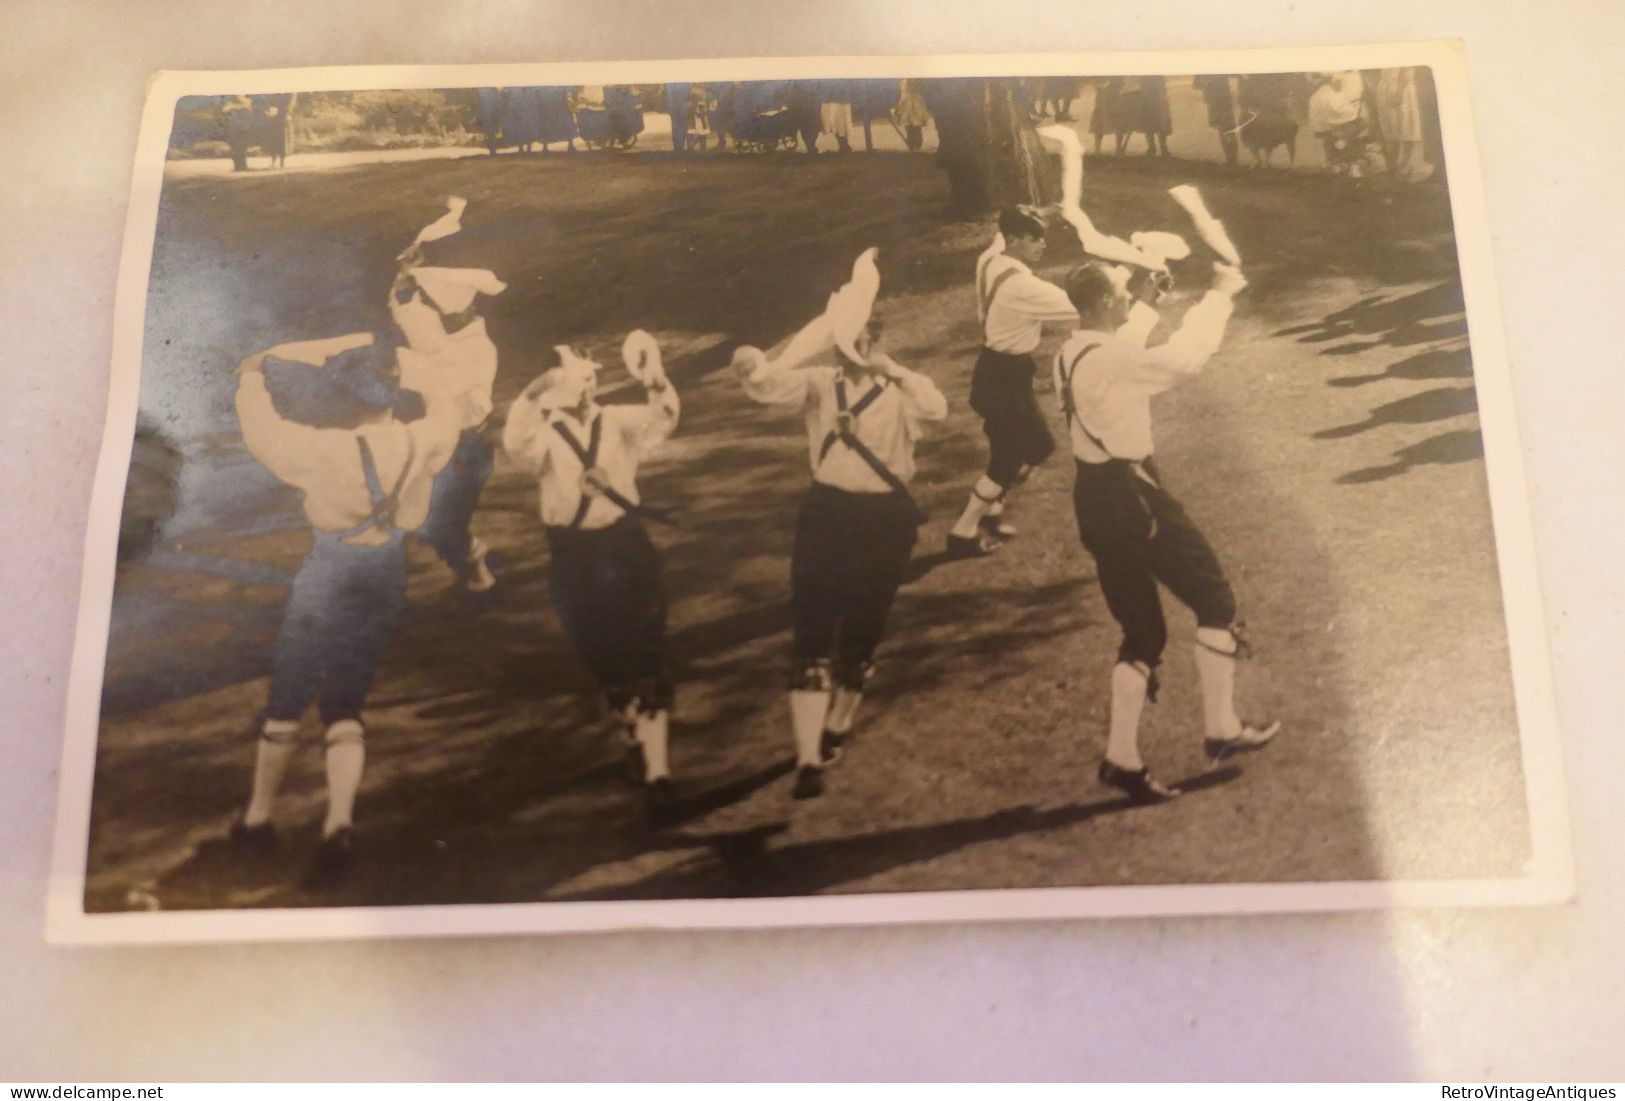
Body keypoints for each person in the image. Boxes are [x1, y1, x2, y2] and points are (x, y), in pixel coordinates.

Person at [228, 333, 462, 879]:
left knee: (289, 694)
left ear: (346, 400)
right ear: (390, 395)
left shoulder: (321, 449)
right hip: (385, 571)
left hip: (329, 570)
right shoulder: (424, 439)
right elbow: (447, 400)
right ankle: (338, 822)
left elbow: (261, 435)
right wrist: (409, 364)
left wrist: (251, 376)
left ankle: (259, 819)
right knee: (346, 700)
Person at [1052, 258, 1278, 802]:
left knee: (1144, 633)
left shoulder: (1072, 349)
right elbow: (1183, 361)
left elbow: (1121, 347)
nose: (1128, 294)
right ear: (1105, 302)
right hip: (1136, 496)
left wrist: (1147, 301)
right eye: (1123, 291)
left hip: (1095, 496)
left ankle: (1121, 759)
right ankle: (1220, 727)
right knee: (1215, 601)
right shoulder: (1111, 354)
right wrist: (1220, 295)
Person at [733, 249, 947, 799]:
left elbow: (937, 409)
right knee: (811, 638)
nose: (858, 350)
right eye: (850, 340)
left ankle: (839, 723)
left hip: (884, 521)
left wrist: (893, 371)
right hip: (826, 515)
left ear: (878, 338)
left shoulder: (903, 388)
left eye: (867, 339)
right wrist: (752, 364)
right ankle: (807, 760)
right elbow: (764, 387)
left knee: (860, 637)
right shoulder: (820, 384)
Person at [502, 334, 682, 816]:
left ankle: (659, 773)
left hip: (625, 547)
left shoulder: (616, 419)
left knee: (645, 657)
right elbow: (514, 441)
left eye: (589, 373)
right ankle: (635, 738)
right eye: (578, 373)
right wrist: (536, 390)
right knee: (606, 661)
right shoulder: (541, 435)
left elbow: (662, 420)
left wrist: (656, 380)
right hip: (575, 556)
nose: (589, 381)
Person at [946, 205, 1079, 557]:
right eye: (1034, 238)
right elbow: (1081, 306)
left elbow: (998, 235)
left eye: (1042, 237)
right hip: (1005, 379)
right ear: (1015, 239)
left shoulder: (990, 260)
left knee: (1009, 452)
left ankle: (990, 511)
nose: (1042, 244)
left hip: (993, 372)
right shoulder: (1023, 286)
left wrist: (1040, 211)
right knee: (1033, 449)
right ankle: (963, 532)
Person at [389, 243, 507, 595]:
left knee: (437, 522)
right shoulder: (438, 325)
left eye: (449, 309)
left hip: (467, 449)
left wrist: (401, 366)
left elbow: (442, 381)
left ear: (470, 307)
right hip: (436, 440)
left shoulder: (480, 349)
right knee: (421, 519)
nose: (440, 313)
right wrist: (406, 276)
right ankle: (468, 559)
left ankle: (476, 570)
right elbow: (405, 309)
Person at [1193, 75, 1240, 166]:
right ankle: (1230, 157)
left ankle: (1233, 157)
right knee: (1223, 129)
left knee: (1228, 129)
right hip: (1213, 102)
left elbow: (1234, 74)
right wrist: (1205, 84)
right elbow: (1195, 85)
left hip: (1223, 101)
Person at [894, 78, 931, 152]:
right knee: (908, 127)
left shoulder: (917, 80)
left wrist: (912, 82)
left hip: (915, 103)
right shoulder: (902, 81)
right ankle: (911, 146)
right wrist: (897, 106)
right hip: (905, 104)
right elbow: (899, 93)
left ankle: (917, 146)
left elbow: (918, 89)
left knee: (916, 126)